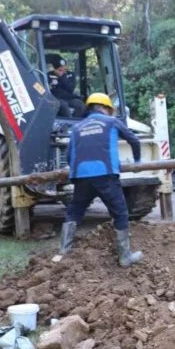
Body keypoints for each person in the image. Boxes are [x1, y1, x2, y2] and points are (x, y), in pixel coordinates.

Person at [60, 93, 143, 268]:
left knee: (74, 212)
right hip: (106, 175)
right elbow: (134, 141)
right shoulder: (111, 122)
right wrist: (137, 162)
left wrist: (81, 170)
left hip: (81, 177)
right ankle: (125, 257)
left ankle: (63, 252)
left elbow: (69, 156)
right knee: (120, 213)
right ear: (105, 108)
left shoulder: (77, 128)